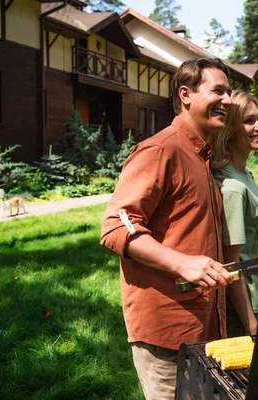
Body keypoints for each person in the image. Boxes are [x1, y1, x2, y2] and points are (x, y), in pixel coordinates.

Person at [99, 58, 233, 399]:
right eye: (218, 91)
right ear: (185, 94)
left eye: (229, 92)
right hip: (167, 330)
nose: (228, 100)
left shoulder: (200, 155)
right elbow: (115, 226)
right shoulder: (161, 150)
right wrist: (182, 262)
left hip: (203, 324)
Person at [211, 90, 258, 337]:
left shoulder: (245, 175)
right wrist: (251, 325)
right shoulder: (233, 187)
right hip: (249, 306)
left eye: (257, 119)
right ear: (228, 130)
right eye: (248, 121)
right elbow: (231, 264)